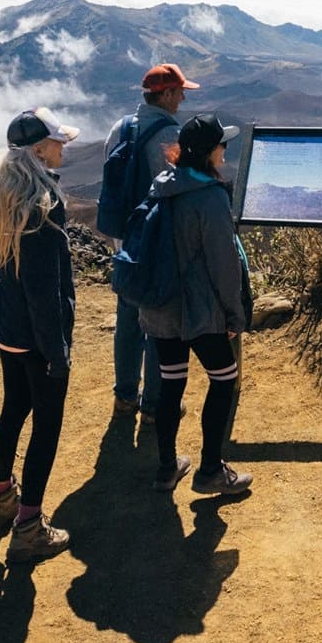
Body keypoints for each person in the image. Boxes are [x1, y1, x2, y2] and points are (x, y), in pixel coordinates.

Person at [0, 108, 82, 564]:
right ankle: (28, 527)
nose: (64, 148)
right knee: (46, 425)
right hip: (38, 338)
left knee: (12, 409)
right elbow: (44, 289)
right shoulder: (43, 203)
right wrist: (57, 352)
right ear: (40, 151)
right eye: (59, 142)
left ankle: (1, 498)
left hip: (8, 330)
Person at [140, 112, 255, 496]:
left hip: (160, 306)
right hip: (201, 310)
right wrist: (235, 311)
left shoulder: (162, 185)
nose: (225, 150)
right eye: (223, 144)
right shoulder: (209, 198)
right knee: (223, 381)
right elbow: (224, 264)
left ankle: (166, 467)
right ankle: (210, 470)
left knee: (171, 385)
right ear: (210, 152)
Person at [102, 64, 196, 422]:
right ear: (167, 94)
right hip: (156, 244)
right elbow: (178, 190)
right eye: (181, 91)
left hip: (123, 239)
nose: (184, 97)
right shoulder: (171, 133)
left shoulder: (120, 127)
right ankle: (155, 404)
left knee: (128, 318)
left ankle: (125, 396)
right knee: (160, 321)